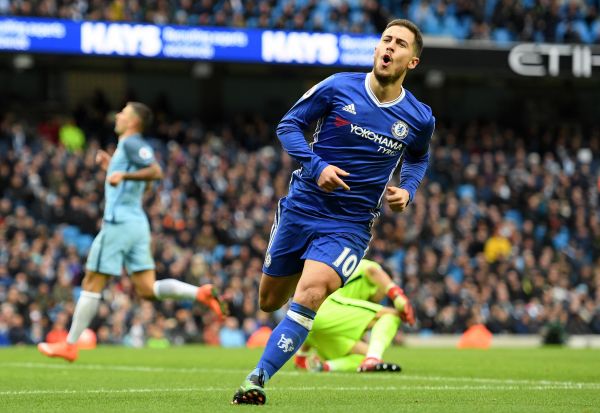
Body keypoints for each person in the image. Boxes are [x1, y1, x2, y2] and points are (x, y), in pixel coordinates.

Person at [232, 18, 434, 405]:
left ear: (412, 61)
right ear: (376, 49)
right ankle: (304, 275)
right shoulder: (339, 86)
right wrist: (317, 166)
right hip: (303, 206)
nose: (390, 47)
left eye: (400, 44)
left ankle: (256, 380)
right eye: (386, 40)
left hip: (350, 223)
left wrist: (407, 190)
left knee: (309, 293)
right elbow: (289, 125)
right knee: (269, 301)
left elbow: (418, 158)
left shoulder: (419, 116)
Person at [38, 102, 225, 362]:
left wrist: (122, 176)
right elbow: (143, 184)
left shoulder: (131, 143)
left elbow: (155, 172)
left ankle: (69, 345)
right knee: (147, 289)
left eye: (123, 113)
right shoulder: (128, 148)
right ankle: (199, 293)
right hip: (137, 223)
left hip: (119, 223)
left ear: (134, 121)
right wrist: (111, 169)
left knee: (92, 282)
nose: (118, 116)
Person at [294, 259, 414, 373]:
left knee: (366, 353)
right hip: (326, 309)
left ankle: (325, 366)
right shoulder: (366, 270)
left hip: (319, 330)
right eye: (384, 293)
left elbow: (316, 326)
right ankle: (373, 359)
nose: (382, 297)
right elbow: (373, 270)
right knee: (391, 315)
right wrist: (397, 296)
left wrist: (302, 354)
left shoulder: (352, 300)